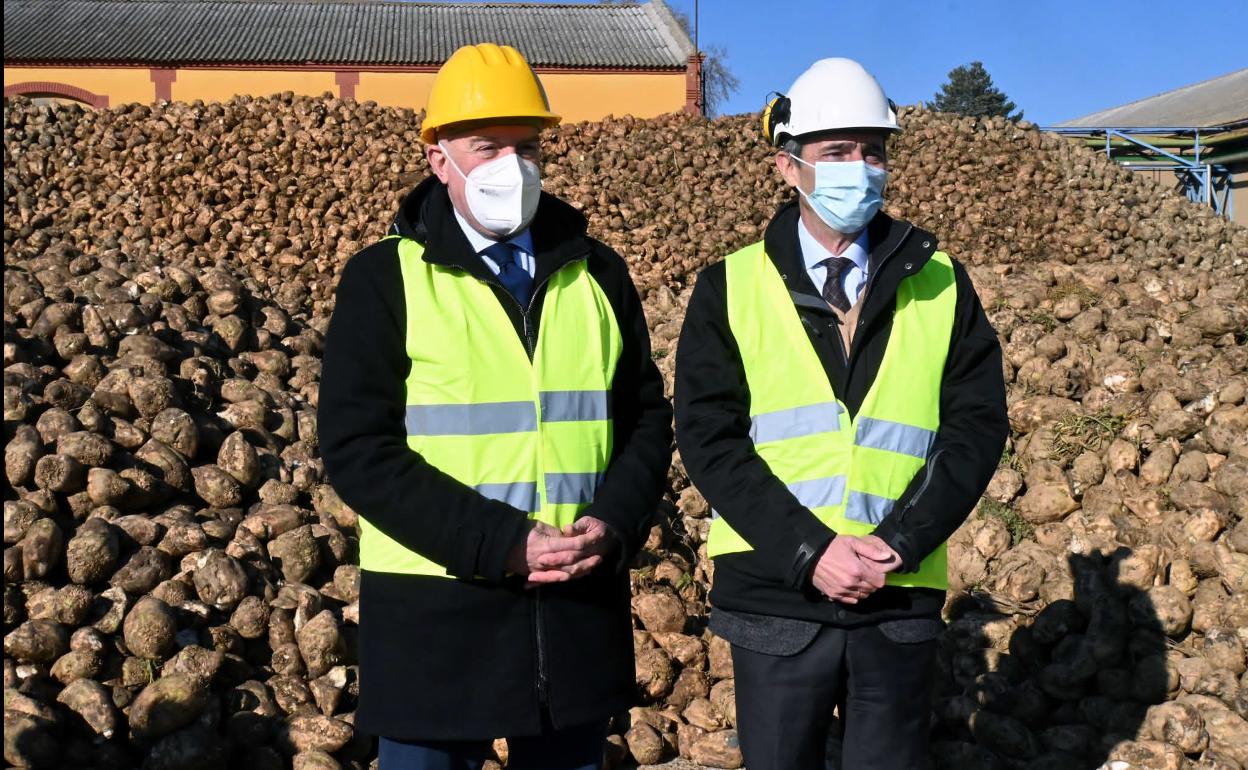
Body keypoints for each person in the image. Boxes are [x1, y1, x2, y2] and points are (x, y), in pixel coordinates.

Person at [319, 43, 672, 770]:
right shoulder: (385, 279)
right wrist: (502, 543)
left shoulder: (596, 271)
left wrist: (611, 522)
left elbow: (644, 415)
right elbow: (360, 449)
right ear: (437, 156)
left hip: (574, 616)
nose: (512, 166)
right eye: (487, 146)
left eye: (527, 145)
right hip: (434, 626)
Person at [673, 57, 1008, 770]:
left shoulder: (942, 281)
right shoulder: (729, 287)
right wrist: (810, 551)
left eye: (873, 152)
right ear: (787, 167)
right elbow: (711, 438)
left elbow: (974, 428)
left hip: (897, 590)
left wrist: (899, 542)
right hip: (776, 594)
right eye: (836, 153)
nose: (861, 168)